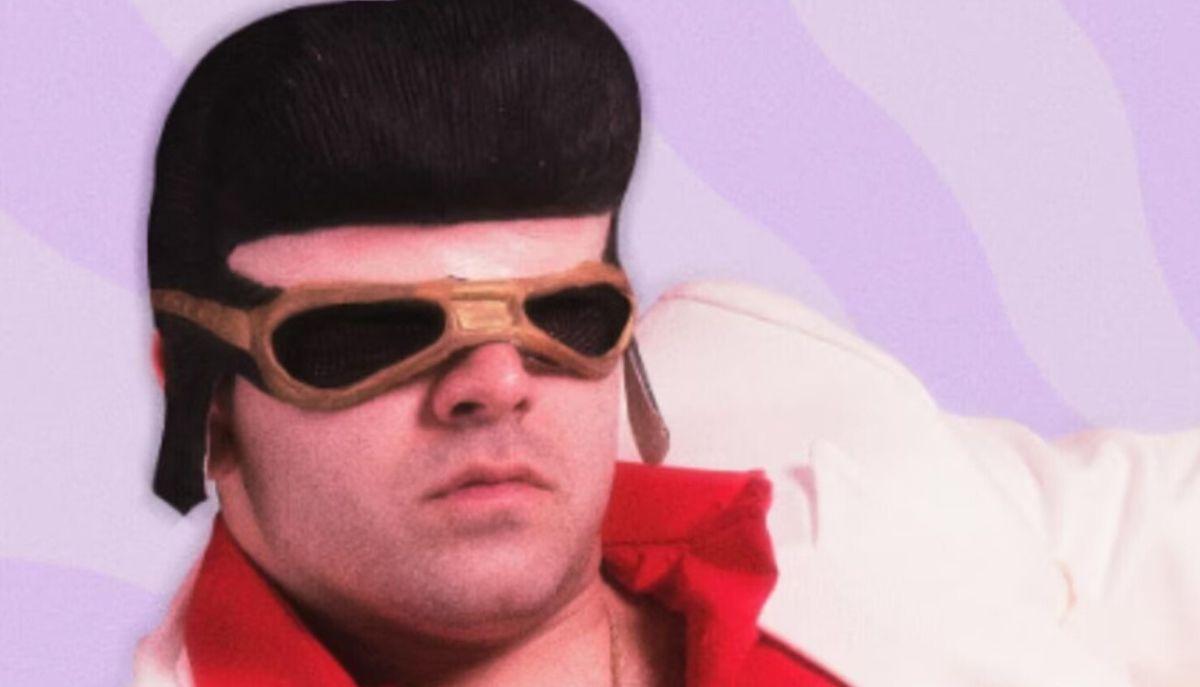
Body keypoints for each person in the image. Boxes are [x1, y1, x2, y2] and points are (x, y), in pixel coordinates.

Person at [132, 1, 844, 684]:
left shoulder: (861, 483)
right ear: (208, 405)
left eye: (565, 313)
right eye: (367, 335)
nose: (498, 382)